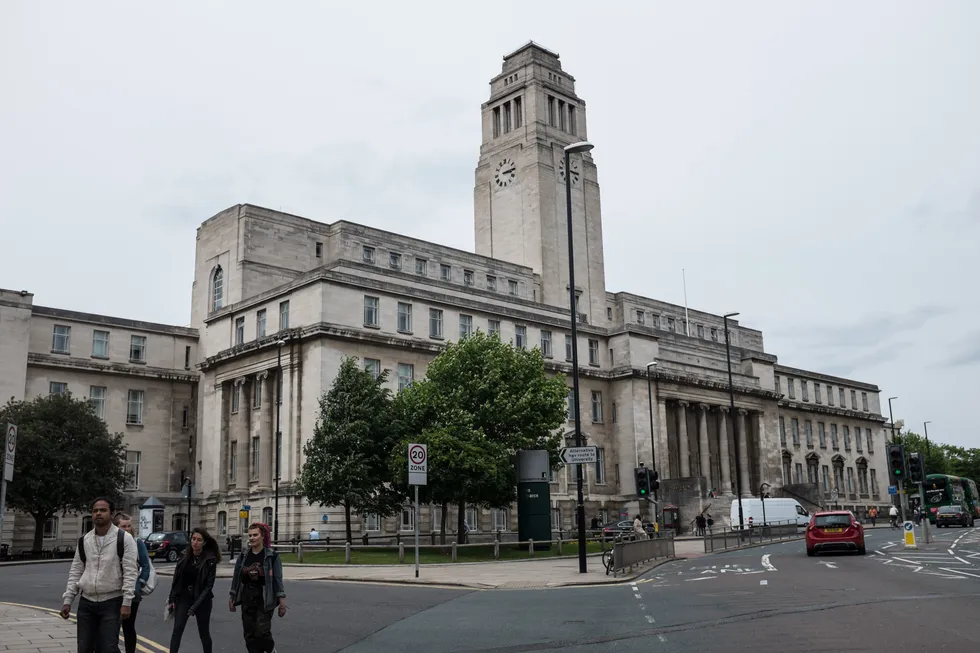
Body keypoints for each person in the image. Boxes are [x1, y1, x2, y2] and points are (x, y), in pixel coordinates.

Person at [61, 497, 139, 653]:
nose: (98, 513)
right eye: (95, 510)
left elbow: (131, 572)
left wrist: (127, 602)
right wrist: (68, 600)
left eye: (103, 510)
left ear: (111, 513)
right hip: (87, 602)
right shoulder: (84, 540)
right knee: (84, 648)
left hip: (112, 601)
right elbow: (76, 570)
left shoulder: (124, 538)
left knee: (108, 648)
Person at [230, 523, 287, 653]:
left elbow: (277, 580)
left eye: (255, 535)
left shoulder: (272, 556)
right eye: (250, 535)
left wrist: (282, 600)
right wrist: (232, 595)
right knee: (249, 633)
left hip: (264, 596)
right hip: (247, 596)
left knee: (262, 630)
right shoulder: (244, 556)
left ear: (262, 536)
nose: (252, 538)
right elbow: (236, 577)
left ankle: (270, 650)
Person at [167, 527, 221, 653]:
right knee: (177, 630)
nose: (195, 542)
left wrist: (194, 607)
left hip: (202, 600)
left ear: (204, 542)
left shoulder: (210, 560)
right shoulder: (184, 555)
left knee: (204, 633)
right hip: (184, 598)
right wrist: (172, 598)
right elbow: (176, 579)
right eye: (193, 539)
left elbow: (208, 586)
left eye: (199, 540)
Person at [113, 513, 151, 653]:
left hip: (132, 593)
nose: (127, 529)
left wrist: (138, 584)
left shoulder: (137, 542)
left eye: (129, 526)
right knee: (112, 626)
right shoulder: (112, 542)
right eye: (124, 526)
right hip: (113, 591)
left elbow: (146, 566)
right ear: (116, 527)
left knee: (128, 626)